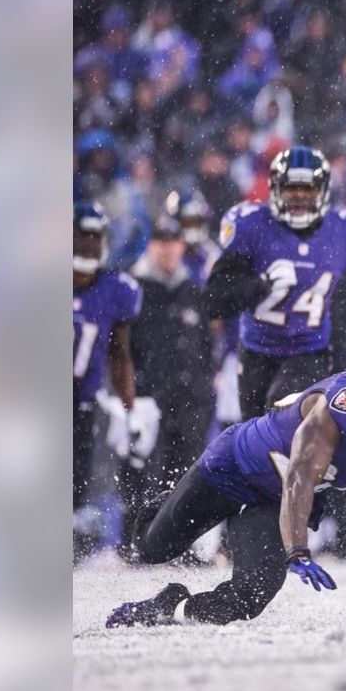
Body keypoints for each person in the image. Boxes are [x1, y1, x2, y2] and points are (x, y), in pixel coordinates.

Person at [105, 365, 346, 627]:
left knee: (250, 597)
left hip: (272, 504)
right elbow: (301, 476)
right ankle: (166, 499)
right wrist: (298, 550)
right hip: (234, 466)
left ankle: (171, 605)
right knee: (152, 548)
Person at [203, 146, 346, 422]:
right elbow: (215, 300)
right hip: (256, 352)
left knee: (282, 418)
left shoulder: (345, 230)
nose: (299, 196)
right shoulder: (251, 226)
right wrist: (259, 285)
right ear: (275, 189)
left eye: (308, 189)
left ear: (322, 191)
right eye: (291, 188)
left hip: (310, 351)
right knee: (253, 433)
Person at [72, 202, 150, 560]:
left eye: (94, 237)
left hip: (82, 400)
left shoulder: (115, 290)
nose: (87, 244)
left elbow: (120, 354)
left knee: (76, 478)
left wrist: (129, 407)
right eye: (80, 236)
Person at [128, 216, 214, 515]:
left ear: (181, 246)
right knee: (143, 471)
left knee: (186, 472)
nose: (167, 249)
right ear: (151, 245)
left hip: (189, 397)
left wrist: (203, 385)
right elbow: (123, 346)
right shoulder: (135, 289)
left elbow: (206, 344)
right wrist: (130, 392)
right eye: (161, 242)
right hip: (148, 396)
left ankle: (180, 542)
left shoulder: (192, 290)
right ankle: (136, 539)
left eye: (173, 242)